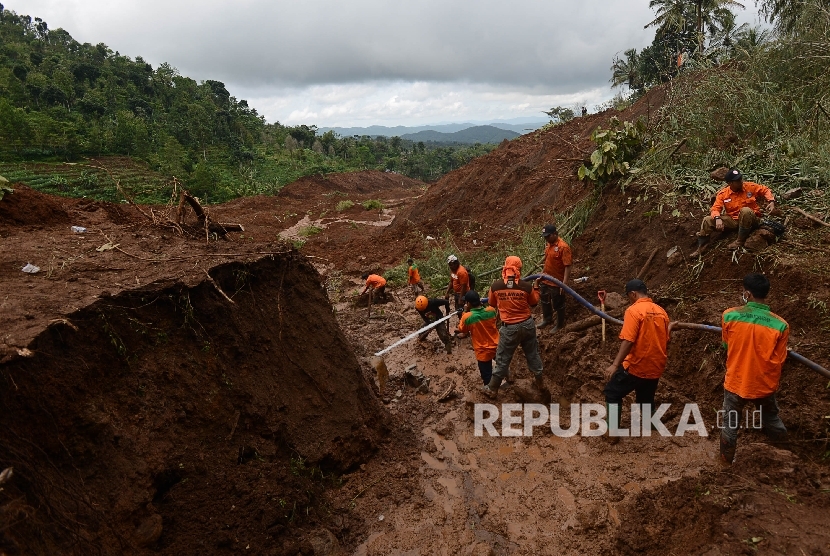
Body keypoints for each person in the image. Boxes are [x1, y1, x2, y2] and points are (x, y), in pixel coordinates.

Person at [719, 273, 789, 465]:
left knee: (730, 424)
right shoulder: (781, 325)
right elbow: (781, 359)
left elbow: (727, 345)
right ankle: (787, 453)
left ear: (747, 294)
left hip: (736, 381)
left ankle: (725, 463)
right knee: (771, 418)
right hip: (764, 384)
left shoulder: (730, 315)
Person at [603, 279, 670, 437]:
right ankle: (652, 427)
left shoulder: (634, 311)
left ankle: (612, 432)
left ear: (633, 294)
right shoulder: (662, 312)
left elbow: (628, 341)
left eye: (628, 296)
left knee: (612, 392)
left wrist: (614, 364)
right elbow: (665, 338)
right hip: (656, 366)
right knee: (645, 400)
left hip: (637, 365)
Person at [482, 256, 545, 397]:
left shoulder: (496, 286)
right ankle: (540, 382)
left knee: (503, 358)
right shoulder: (526, 286)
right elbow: (534, 303)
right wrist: (536, 287)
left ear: (505, 267)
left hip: (509, 328)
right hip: (528, 325)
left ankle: (492, 388)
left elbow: (492, 304)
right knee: (533, 354)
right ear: (518, 269)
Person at [690, 168, 776, 256]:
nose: (740, 181)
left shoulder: (749, 187)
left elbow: (765, 189)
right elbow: (715, 208)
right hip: (734, 220)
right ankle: (702, 247)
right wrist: (717, 218)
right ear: (730, 183)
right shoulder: (723, 194)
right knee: (707, 220)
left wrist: (771, 202)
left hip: (752, 219)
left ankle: (740, 241)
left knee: (745, 210)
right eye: (737, 180)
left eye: (740, 179)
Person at [457, 290, 499, 385]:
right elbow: (487, 310)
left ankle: (490, 391)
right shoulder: (491, 310)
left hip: (482, 351)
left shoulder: (467, 317)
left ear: (468, 303)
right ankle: (509, 379)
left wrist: (464, 311)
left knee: (487, 375)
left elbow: (462, 329)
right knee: (502, 365)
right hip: (496, 345)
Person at [538, 224, 572, 331]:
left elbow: (568, 265)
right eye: (545, 237)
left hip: (557, 281)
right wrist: (542, 274)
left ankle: (560, 324)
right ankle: (547, 319)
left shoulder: (563, 247)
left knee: (558, 303)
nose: (546, 238)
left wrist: (564, 283)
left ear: (555, 234)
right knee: (545, 300)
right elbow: (547, 261)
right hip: (546, 278)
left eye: (548, 236)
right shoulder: (549, 245)